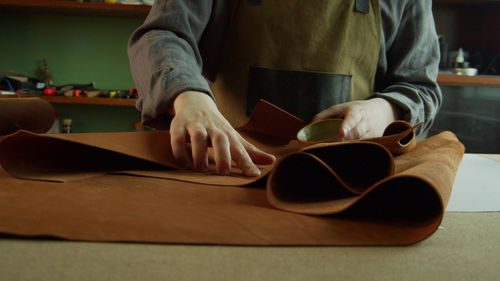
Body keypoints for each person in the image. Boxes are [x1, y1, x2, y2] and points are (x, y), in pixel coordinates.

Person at [128, 0, 442, 177]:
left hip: (348, 181)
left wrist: (384, 110)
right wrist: (188, 96)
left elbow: (419, 86)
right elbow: (162, 35)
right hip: (227, 170)